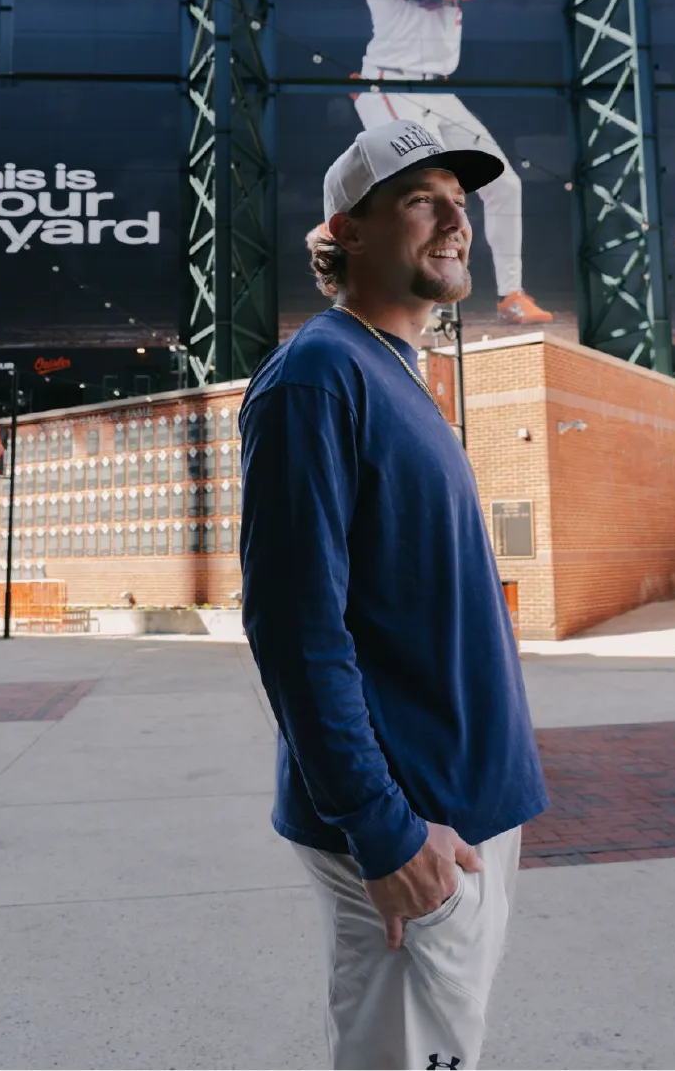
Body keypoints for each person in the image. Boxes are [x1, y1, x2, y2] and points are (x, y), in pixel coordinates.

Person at [239, 117, 547, 1071]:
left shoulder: (401, 374)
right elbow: (296, 629)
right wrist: (383, 829)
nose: (457, 219)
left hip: (464, 818)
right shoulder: (320, 373)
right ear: (350, 229)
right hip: (413, 833)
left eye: (464, 202)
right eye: (422, 199)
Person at [352, 0, 553, 327]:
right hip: (388, 87)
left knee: (504, 184)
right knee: (424, 189)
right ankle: (421, 295)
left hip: (437, 90)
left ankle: (511, 296)